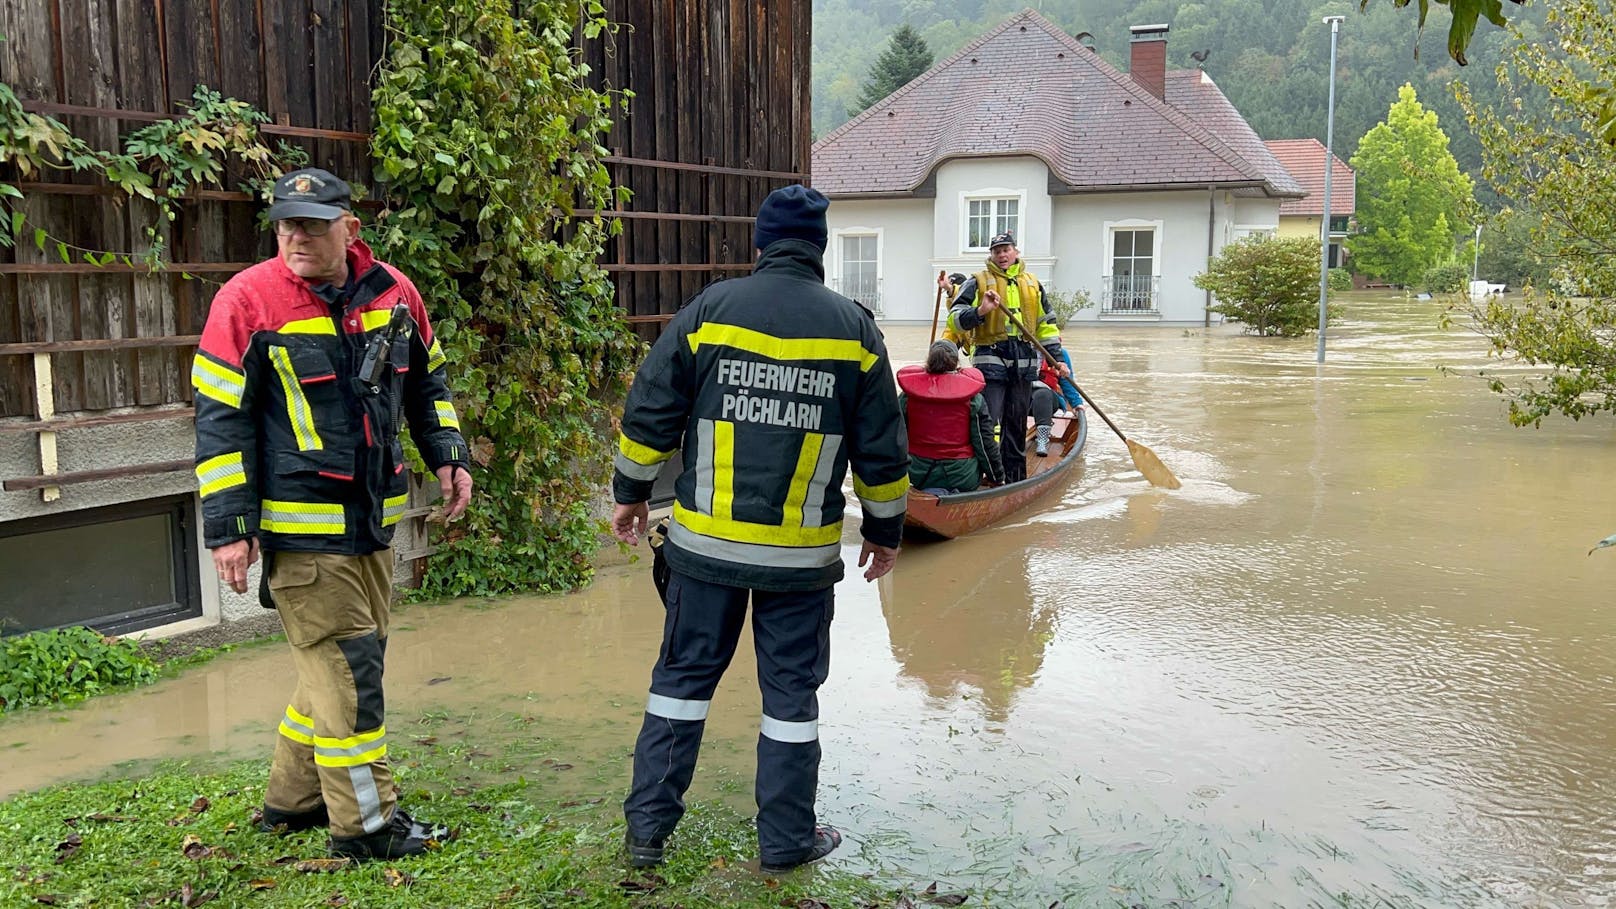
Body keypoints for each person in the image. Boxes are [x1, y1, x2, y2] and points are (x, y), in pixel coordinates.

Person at [610, 184, 909, 874]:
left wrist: (629, 492)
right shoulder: (855, 330)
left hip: (702, 554)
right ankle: (784, 842)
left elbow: (651, 406)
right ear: (822, 250)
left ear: (761, 243)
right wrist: (886, 530)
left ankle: (647, 837)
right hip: (800, 564)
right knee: (789, 702)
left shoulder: (710, 311)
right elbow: (883, 448)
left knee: (679, 687)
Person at [192, 167, 473, 861]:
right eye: (285, 223)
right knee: (350, 673)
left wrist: (448, 450)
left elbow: (427, 383)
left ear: (350, 227)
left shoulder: (394, 293)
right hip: (303, 533)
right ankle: (366, 824)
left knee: (338, 665)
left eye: (312, 225)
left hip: (374, 526)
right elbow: (218, 423)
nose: (295, 236)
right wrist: (229, 527)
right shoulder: (246, 302)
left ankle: (293, 800)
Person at [946, 231, 1068, 482]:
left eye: (1006, 249)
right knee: (986, 420)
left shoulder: (1033, 283)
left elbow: (1047, 326)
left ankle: (1014, 479)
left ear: (1015, 252)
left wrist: (1057, 359)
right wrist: (981, 310)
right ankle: (981, 475)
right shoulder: (977, 281)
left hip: (1023, 360)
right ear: (991, 255)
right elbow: (955, 319)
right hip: (991, 358)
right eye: (997, 251)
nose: (1002, 254)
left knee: (1016, 421)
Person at [898, 339, 1003, 491]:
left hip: (917, 474)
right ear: (956, 363)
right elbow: (984, 443)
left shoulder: (908, 395)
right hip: (962, 477)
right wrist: (997, 478)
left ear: (929, 361)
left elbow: (895, 435)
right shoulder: (973, 398)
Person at [1029, 346, 1082, 457]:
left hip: (1047, 400)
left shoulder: (1060, 354)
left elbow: (1067, 381)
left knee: (1043, 394)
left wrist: (1076, 404)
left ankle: (1042, 439)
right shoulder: (1019, 349)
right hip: (1022, 397)